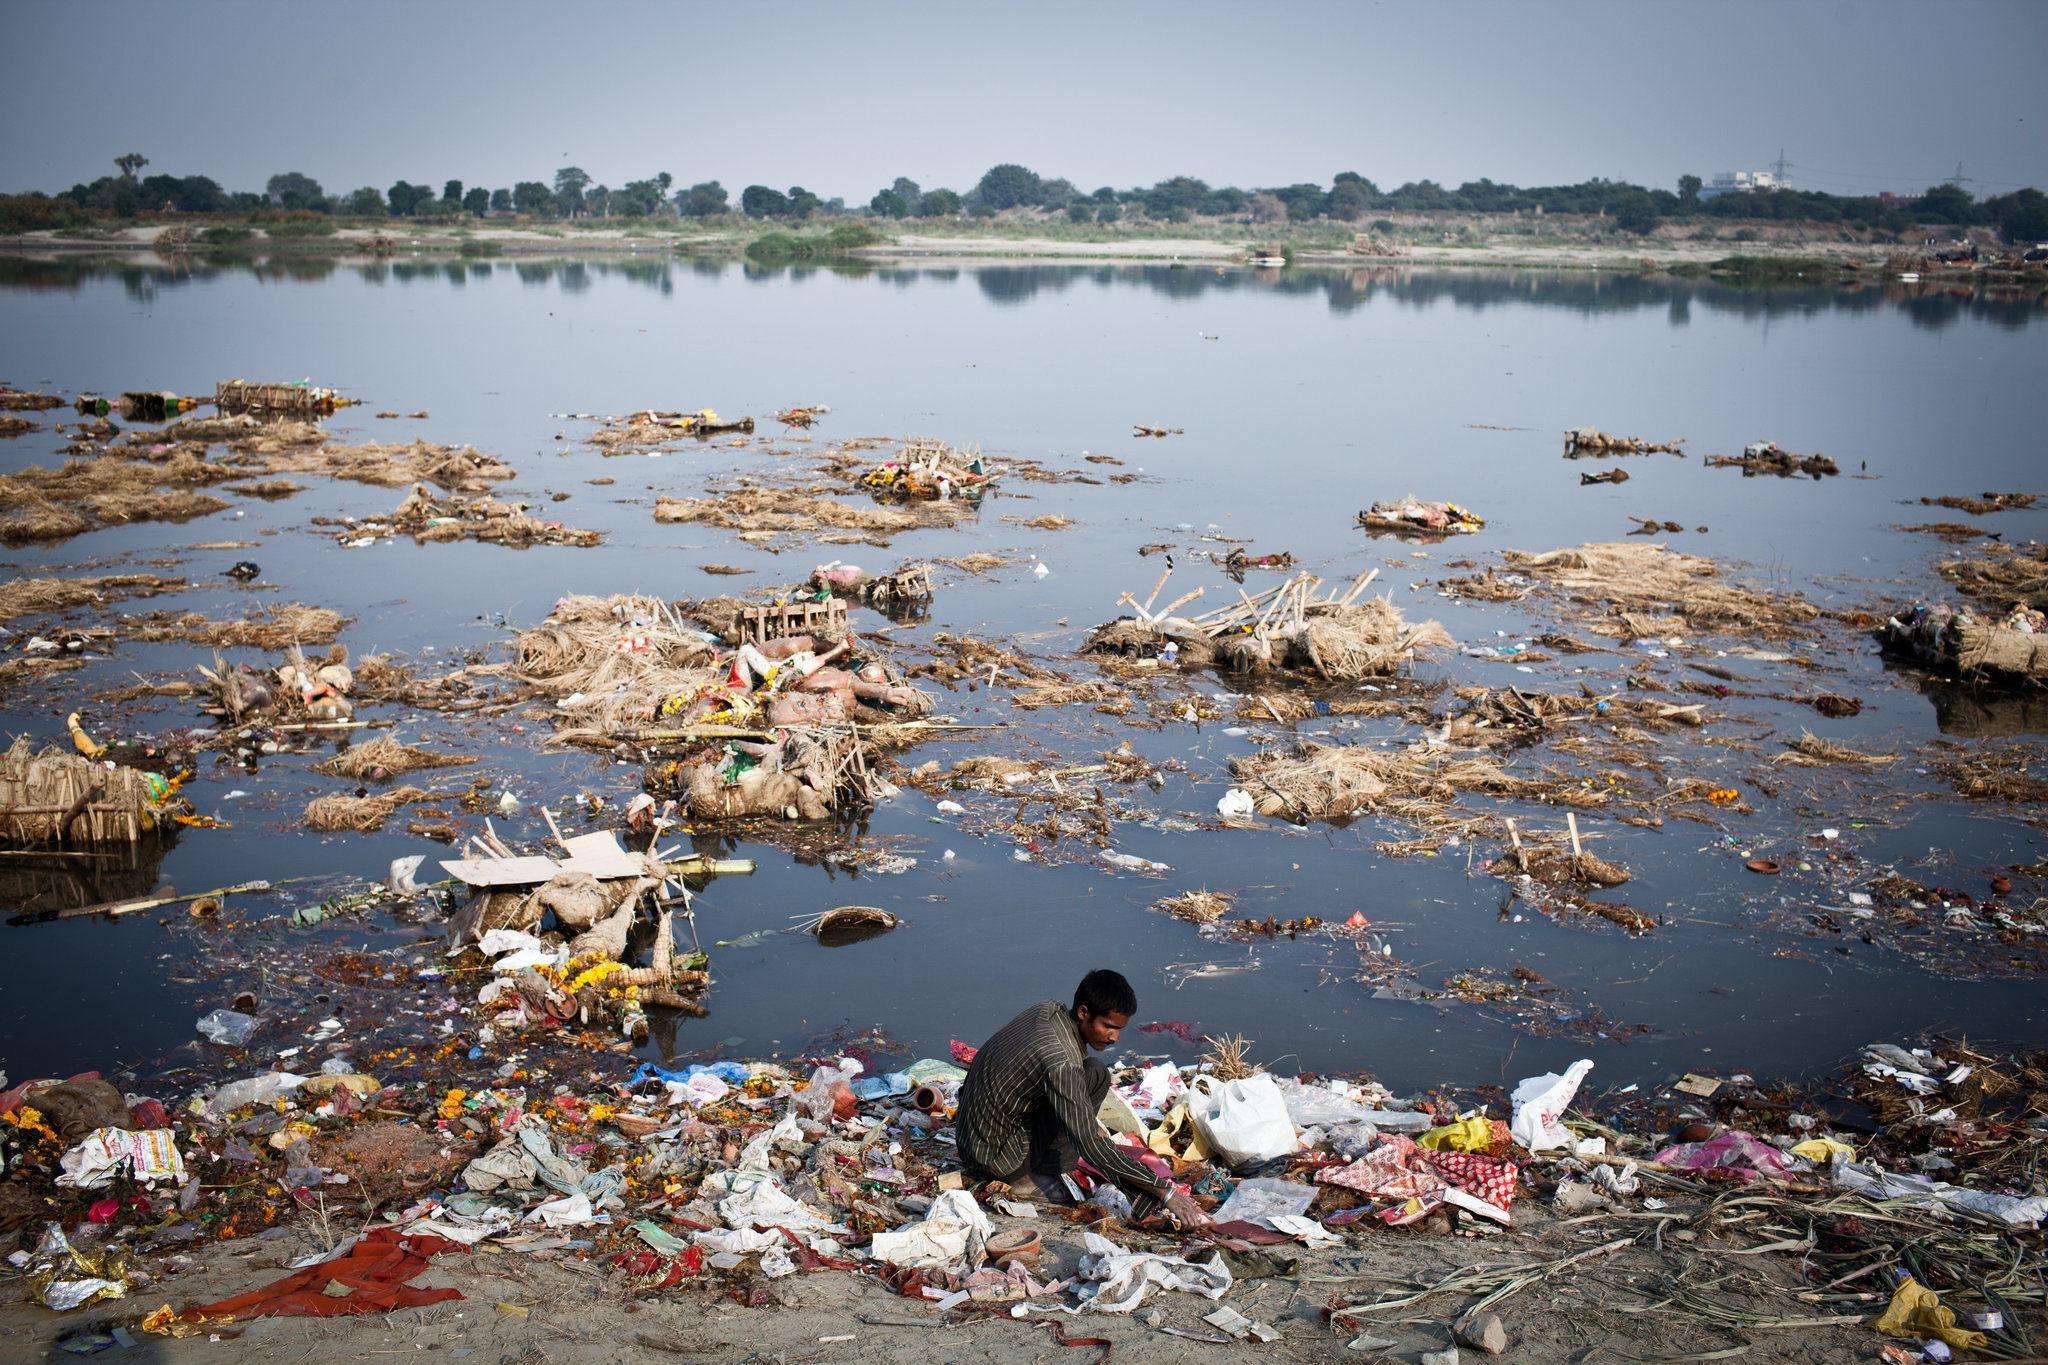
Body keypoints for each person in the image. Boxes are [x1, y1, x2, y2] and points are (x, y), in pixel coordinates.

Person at [955, 970, 1209, 1229]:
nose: (1114, 1037)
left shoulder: (1048, 1010)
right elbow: (1088, 1144)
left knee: (1095, 1073)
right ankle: (1033, 1177)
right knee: (1090, 1095)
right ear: (1083, 1013)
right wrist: (1164, 1192)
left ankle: (1042, 1164)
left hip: (971, 1135)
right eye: (1108, 1026)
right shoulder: (1062, 1062)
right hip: (994, 1156)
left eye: (1119, 1029)